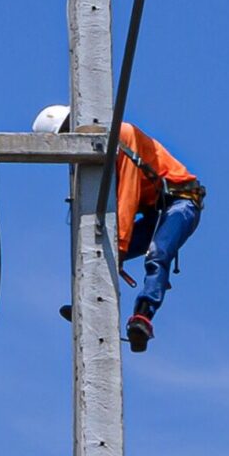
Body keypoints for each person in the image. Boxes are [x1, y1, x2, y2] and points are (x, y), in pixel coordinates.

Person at [36, 106, 205, 351]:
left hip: (182, 202)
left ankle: (143, 317)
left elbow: (127, 196)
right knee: (101, 248)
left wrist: (120, 248)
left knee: (157, 254)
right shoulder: (98, 158)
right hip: (154, 209)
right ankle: (90, 302)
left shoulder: (122, 138)